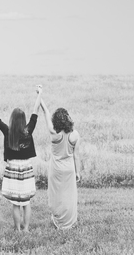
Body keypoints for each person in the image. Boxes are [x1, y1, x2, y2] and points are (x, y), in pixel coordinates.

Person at [0, 86, 41, 232]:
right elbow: (35, 112)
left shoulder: (7, 131)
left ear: (12, 119)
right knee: (26, 202)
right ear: (23, 120)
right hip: (27, 168)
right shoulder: (29, 130)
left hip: (12, 168)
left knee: (16, 203)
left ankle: (17, 228)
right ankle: (26, 229)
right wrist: (39, 94)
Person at [40, 95, 81, 229]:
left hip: (56, 169)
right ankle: (70, 221)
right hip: (69, 169)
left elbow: (46, 112)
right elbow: (76, 156)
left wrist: (40, 96)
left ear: (55, 121)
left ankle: (58, 221)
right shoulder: (75, 135)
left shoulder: (54, 133)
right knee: (69, 196)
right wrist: (78, 172)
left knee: (56, 195)